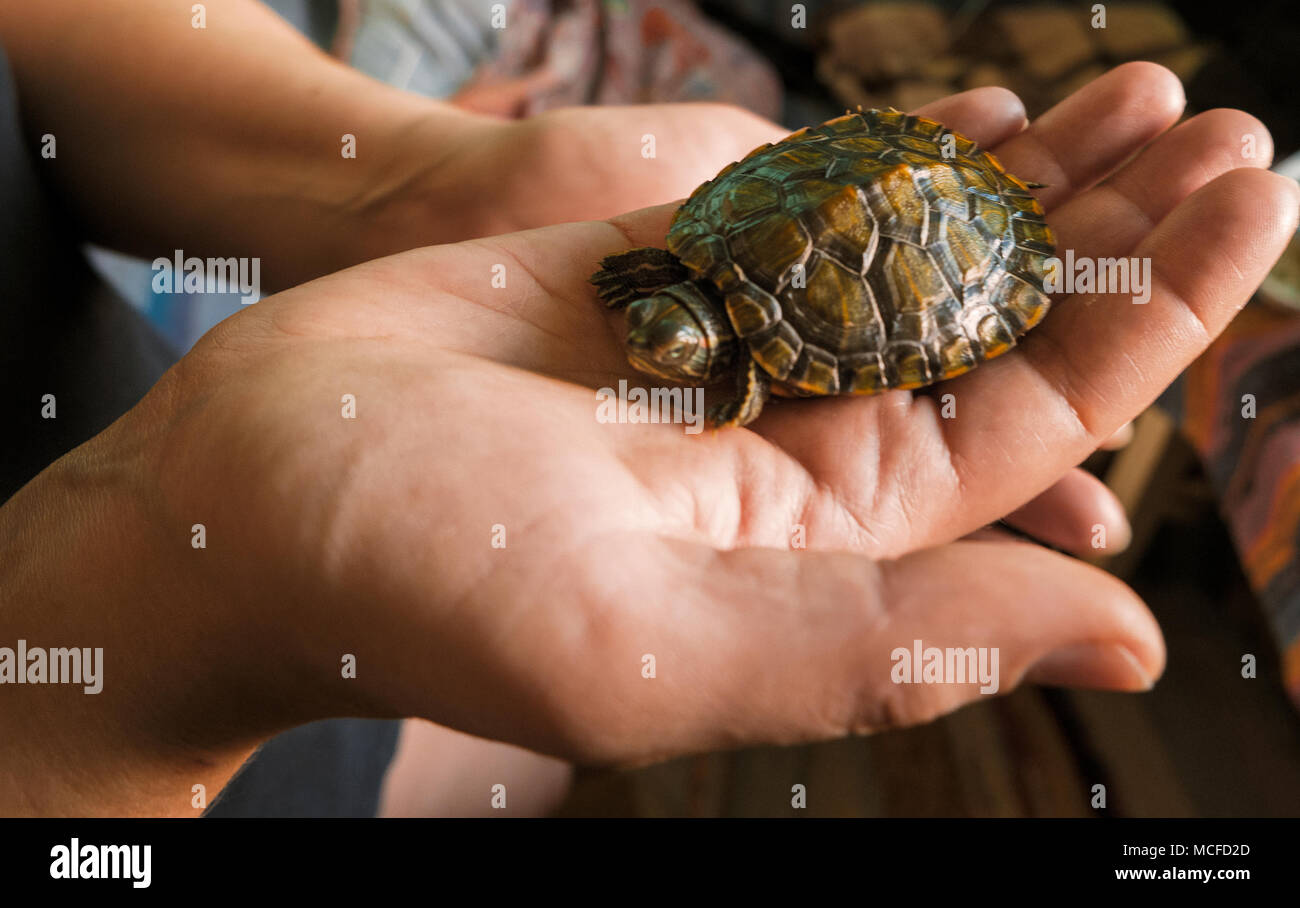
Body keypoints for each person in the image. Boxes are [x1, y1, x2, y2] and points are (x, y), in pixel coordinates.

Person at [1, 1, 1295, 816]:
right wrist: (140, 629)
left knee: (459, 753)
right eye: (662, 342)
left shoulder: (684, 276)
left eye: (664, 340)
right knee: (461, 762)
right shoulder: (689, 335)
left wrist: (421, 183)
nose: (650, 342)